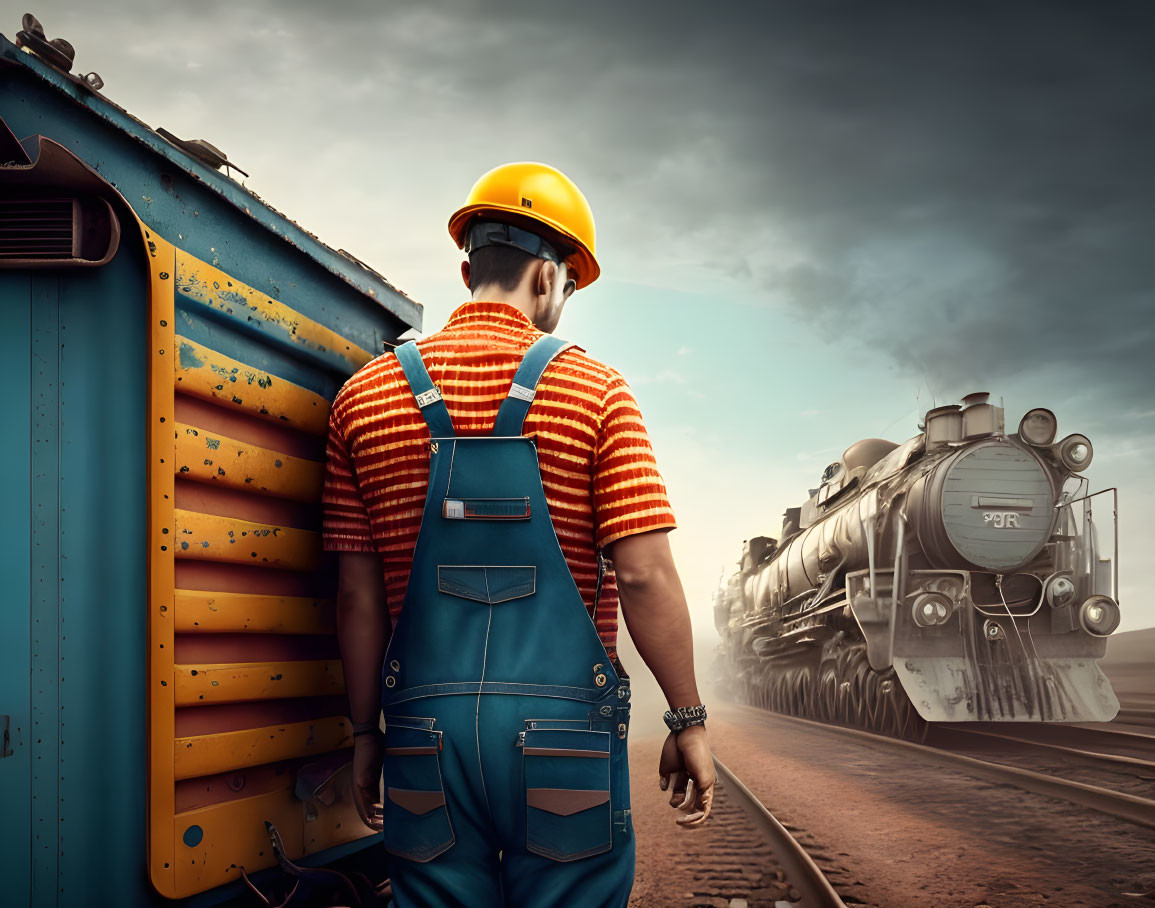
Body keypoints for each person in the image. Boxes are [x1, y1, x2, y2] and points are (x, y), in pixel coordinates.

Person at [321, 162, 714, 907]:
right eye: (566, 284)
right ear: (547, 277)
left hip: (422, 736)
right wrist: (687, 717)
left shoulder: (362, 398)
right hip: (564, 734)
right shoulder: (595, 391)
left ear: (468, 266)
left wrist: (366, 731)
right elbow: (643, 575)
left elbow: (355, 598)